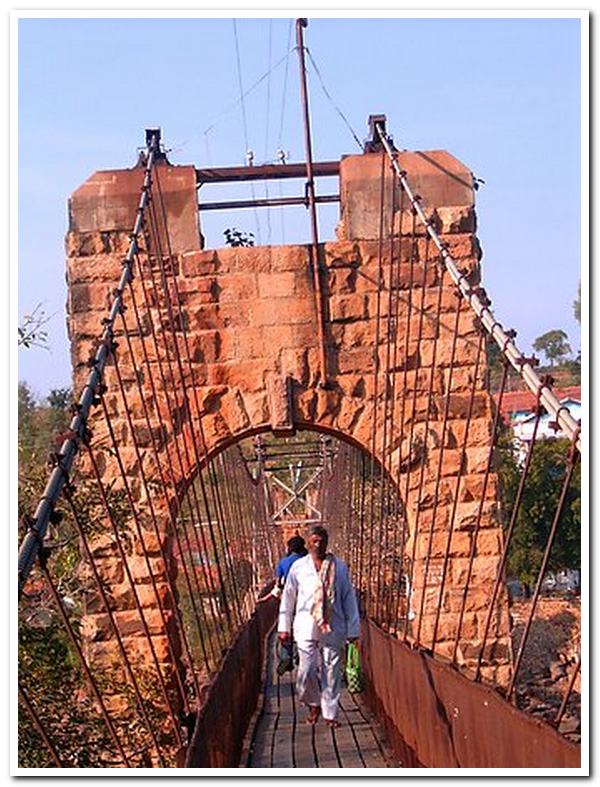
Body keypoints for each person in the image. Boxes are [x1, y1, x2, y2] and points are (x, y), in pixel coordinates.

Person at [278, 525, 360, 728]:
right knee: (305, 670)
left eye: (322, 540)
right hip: (305, 625)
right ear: (308, 543)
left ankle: (330, 713)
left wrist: (353, 629)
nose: (319, 544)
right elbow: (288, 598)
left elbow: (348, 598)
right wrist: (283, 626)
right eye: (314, 540)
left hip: (334, 624)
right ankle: (313, 702)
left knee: (331, 670)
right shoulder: (298, 568)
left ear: (327, 541)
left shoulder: (339, 567)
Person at [257, 535, 307, 604]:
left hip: (289, 590)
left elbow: (278, 582)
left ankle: (264, 599)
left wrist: (279, 587)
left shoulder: (283, 562)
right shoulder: (308, 560)